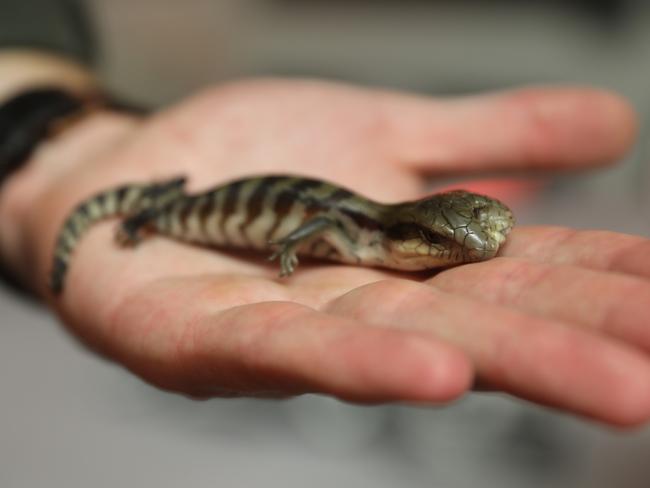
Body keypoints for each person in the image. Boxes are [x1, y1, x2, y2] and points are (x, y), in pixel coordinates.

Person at [1, 1, 649, 428]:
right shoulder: (358, 234)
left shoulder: (381, 232)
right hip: (201, 208)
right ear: (406, 235)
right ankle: (139, 215)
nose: (458, 253)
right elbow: (315, 226)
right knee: (159, 212)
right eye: (443, 244)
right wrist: (287, 248)